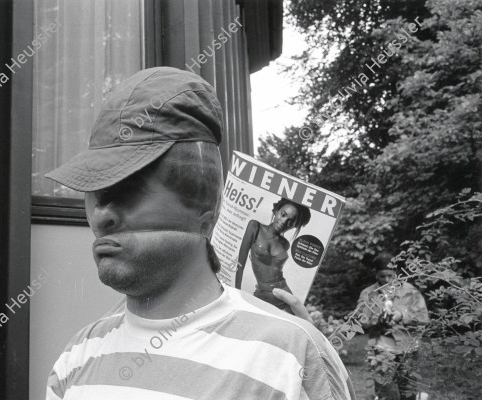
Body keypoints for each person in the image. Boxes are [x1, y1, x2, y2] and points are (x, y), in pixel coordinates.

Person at [45, 66, 355, 400]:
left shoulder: (291, 357)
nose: (101, 215)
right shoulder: (77, 358)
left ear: (203, 209)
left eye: (129, 189)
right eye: (94, 190)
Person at [357, 252, 429, 400]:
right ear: (376, 274)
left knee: (408, 391)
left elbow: (423, 317)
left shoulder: (410, 291)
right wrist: (377, 319)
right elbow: (361, 321)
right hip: (381, 349)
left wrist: (402, 315)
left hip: (407, 347)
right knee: (385, 392)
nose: (387, 280)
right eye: (382, 276)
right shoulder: (368, 293)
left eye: (390, 275)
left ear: (396, 273)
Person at [235, 198, 311, 312]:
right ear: (276, 210)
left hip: (283, 291)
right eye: (283, 214)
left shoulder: (285, 244)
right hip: (262, 292)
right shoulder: (255, 226)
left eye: (290, 221)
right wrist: (237, 292)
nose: (284, 221)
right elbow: (240, 263)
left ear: (294, 226)